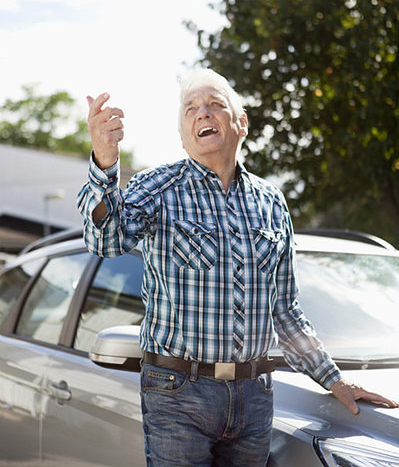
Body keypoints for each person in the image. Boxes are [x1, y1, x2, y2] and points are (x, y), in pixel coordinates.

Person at [77, 69, 398, 467]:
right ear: (182, 136)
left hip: (255, 396)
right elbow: (104, 242)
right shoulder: (157, 188)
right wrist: (105, 161)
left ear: (241, 123)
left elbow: (285, 310)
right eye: (191, 109)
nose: (202, 113)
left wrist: (335, 379)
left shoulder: (271, 202)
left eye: (214, 104)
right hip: (178, 393)